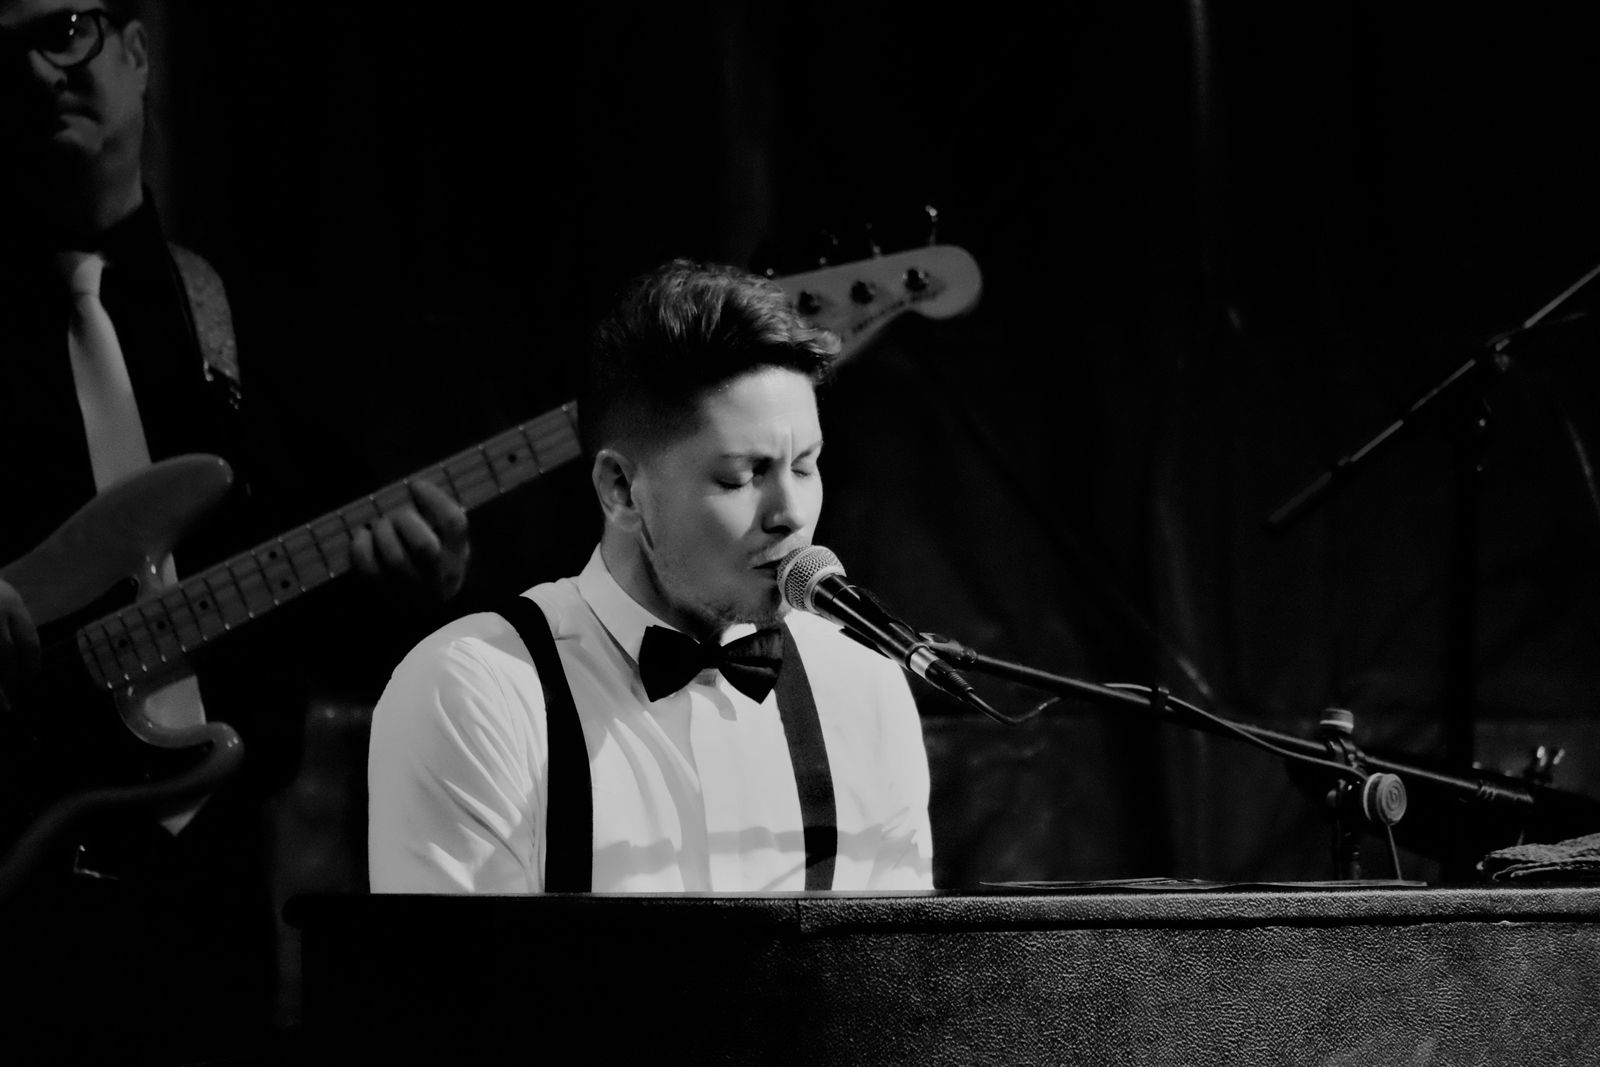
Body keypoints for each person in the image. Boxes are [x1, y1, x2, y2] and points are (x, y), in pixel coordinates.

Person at [0, 0, 471, 1059]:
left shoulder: (236, 315)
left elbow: (323, 610)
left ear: (136, 51)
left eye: (64, 27)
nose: (35, 70)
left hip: (209, 893)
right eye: (2, 50)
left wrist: (416, 585)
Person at [368, 260, 934, 894]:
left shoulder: (864, 687)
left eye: (805, 466)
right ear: (621, 489)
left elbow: (896, 956)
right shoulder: (476, 692)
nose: (792, 513)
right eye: (742, 476)